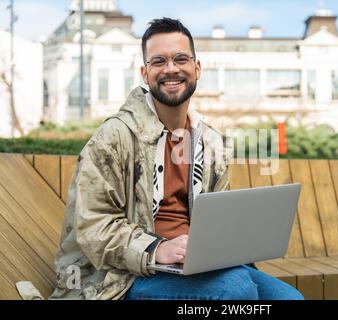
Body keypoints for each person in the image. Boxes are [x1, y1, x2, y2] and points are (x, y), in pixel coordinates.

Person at [49, 17, 303, 300]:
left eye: (180, 59)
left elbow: (219, 217)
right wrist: (156, 249)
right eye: (159, 61)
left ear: (197, 68)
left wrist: (230, 247)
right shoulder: (114, 136)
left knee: (289, 298)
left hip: (197, 265)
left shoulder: (210, 140)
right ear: (145, 74)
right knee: (235, 291)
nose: (171, 69)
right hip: (125, 275)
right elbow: (92, 225)